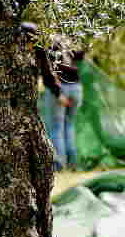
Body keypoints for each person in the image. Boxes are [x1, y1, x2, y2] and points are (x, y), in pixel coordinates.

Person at [21, 23, 82, 171]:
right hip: (77, 88)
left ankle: (59, 165)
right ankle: (73, 163)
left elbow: (48, 73)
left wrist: (58, 93)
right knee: (68, 126)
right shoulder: (65, 40)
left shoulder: (45, 45)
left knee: (56, 128)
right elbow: (80, 55)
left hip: (60, 88)